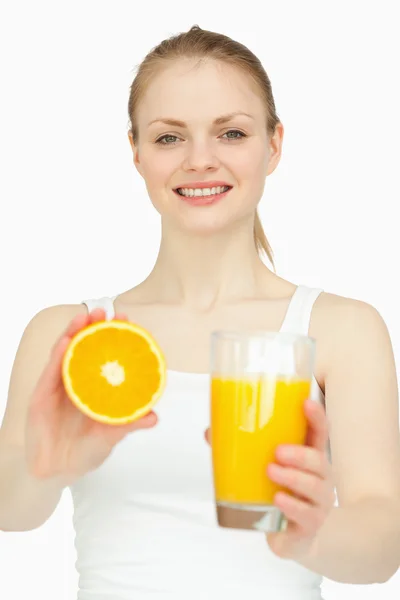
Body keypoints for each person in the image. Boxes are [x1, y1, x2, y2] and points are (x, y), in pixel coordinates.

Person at [0, 24, 400, 600]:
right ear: (135, 151)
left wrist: (312, 532)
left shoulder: (340, 330)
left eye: (231, 133)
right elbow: (12, 512)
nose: (200, 160)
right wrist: (48, 466)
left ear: (274, 145)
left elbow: (382, 545)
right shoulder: (73, 334)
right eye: (169, 139)